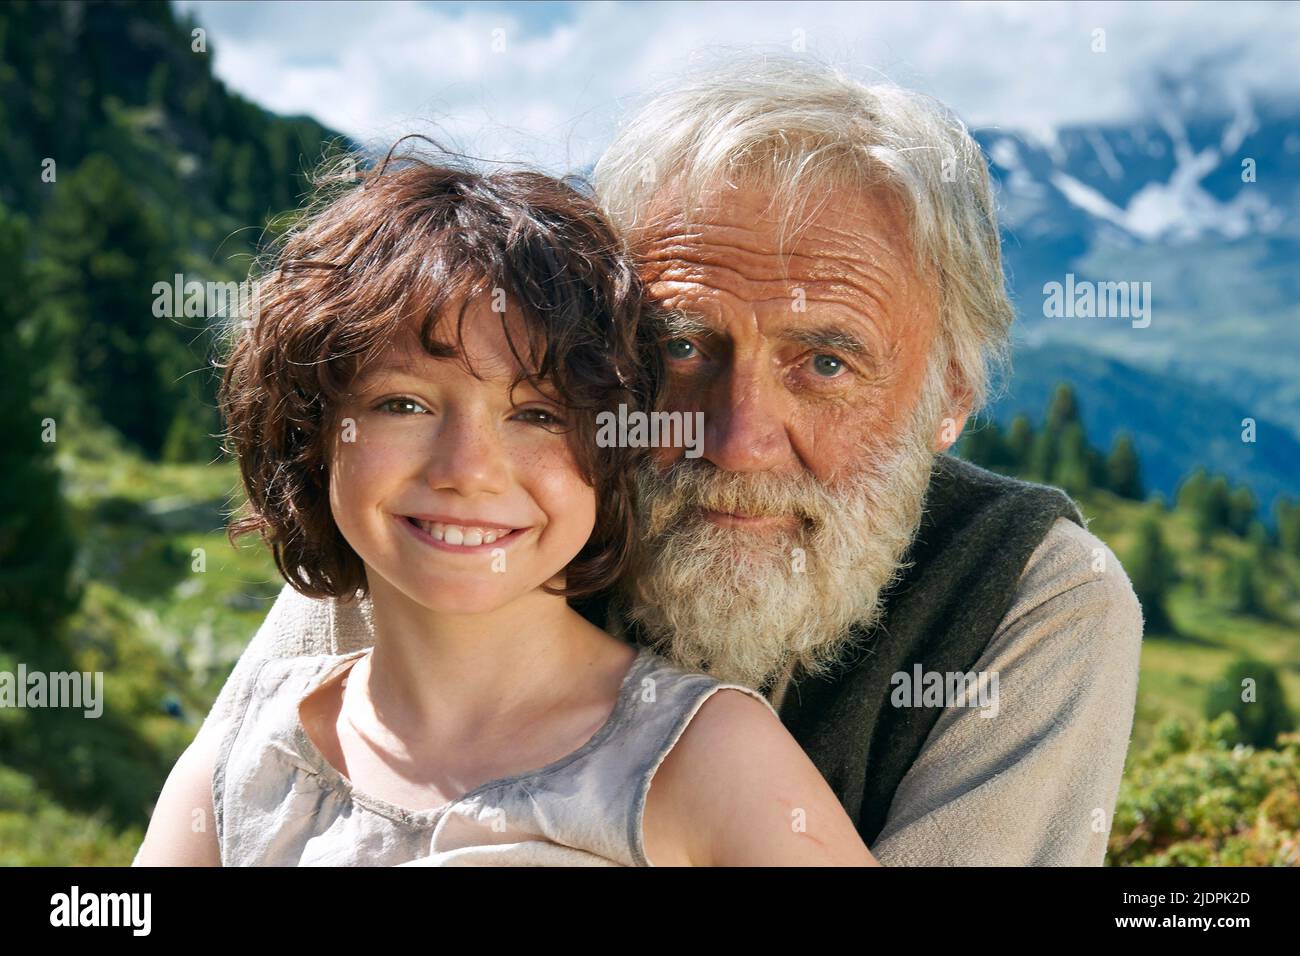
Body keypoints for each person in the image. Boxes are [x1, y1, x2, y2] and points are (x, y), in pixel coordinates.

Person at [191, 54, 1145, 866]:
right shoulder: (458, 521)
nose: (736, 438)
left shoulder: (1031, 598)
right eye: (683, 345)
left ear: (951, 397)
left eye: (825, 363)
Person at [132, 146, 880, 866]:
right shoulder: (246, 755)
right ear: (312, 437)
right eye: (404, 404)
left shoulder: (708, 755)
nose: (469, 470)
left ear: (615, 452)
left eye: (539, 416)